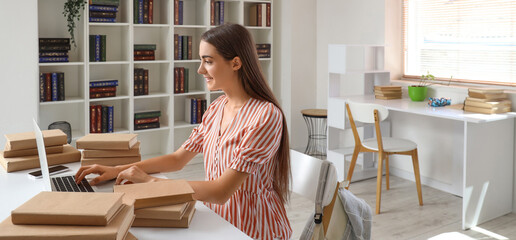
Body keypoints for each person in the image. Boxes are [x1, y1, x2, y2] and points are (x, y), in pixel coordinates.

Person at [75, 23, 292, 240]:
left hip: (253, 229)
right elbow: (177, 159)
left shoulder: (265, 115)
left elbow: (221, 192)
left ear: (235, 63)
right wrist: (116, 169)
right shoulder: (217, 107)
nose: (200, 70)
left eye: (208, 61)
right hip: (214, 220)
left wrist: (150, 183)